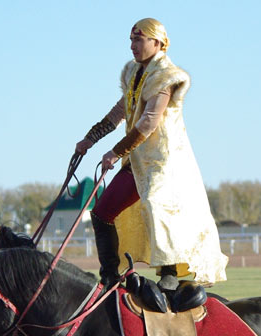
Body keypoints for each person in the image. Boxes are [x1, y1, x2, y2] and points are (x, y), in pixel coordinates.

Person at [75, 17, 227, 291]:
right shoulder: (133, 73)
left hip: (164, 163)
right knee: (101, 212)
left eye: (138, 39)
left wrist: (115, 151)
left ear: (157, 42)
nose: (132, 45)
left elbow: (148, 121)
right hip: (136, 162)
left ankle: (169, 273)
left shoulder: (167, 76)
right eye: (131, 40)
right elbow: (119, 113)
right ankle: (110, 277)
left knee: (156, 206)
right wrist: (89, 139)